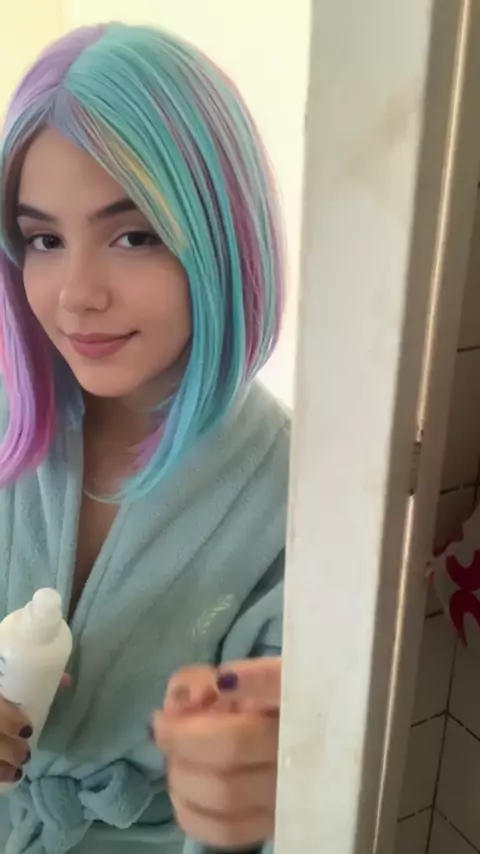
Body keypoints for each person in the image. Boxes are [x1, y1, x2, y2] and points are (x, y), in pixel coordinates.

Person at [0, 21, 289, 854]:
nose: (75, 295)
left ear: (223, 238)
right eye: (44, 239)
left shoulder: (299, 496)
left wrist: (285, 786)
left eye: (133, 235)